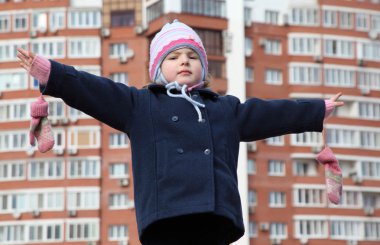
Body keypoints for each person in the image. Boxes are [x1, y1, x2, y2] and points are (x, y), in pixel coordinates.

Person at [17, 20, 344, 245]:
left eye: (192, 56)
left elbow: (271, 114)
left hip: (215, 217)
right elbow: (94, 90)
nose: (184, 61)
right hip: (166, 218)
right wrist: (51, 74)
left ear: (203, 66)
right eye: (174, 57)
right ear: (159, 68)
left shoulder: (225, 108)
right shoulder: (141, 105)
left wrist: (317, 109)